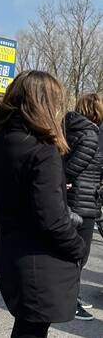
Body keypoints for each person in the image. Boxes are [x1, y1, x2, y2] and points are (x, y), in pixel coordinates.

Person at [0, 70, 85, 338]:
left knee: (27, 329)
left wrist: (14, 224)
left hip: (10, 254)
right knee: (32, 330)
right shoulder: (42, 150)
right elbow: (53, 219)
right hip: (40, 262)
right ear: (45, 103)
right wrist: (78, 247)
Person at [64, 93, 103, 321]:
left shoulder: (71, 128)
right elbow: (74, 167)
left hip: (74, 198)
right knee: (80, 254)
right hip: (83, 201)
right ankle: (70, 300)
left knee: (72, 252)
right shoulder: (91, 135)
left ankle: (70, 295)